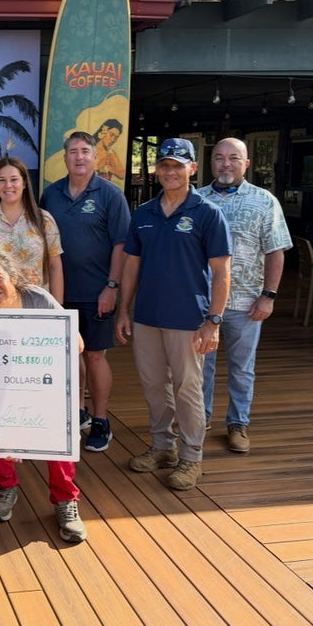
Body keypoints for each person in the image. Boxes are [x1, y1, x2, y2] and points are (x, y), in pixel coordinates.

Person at [115, 138, 231, 491]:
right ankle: (163, 447)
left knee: (187, 388)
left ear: (192, 169)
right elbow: (131, 266)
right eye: (165, 165)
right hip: (147, 315)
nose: (170, 172)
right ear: (157, 170)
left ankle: (191, 457)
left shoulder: (208, 213)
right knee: (153, 385)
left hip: (188, 319)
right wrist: (124, 310)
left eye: (178, 166)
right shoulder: (144, 213)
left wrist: (214, 321)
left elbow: (223, 273)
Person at [0, 248, 87, 543]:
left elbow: (77, 342)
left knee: (57, 434)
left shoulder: (37, 298)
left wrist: (68, 341)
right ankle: (5, 487)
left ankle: (65, 500)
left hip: (44, 386)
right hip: (4, 390)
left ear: (13, 277)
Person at [197, 137, 291, 454]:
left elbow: (275, 252)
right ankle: (201, 419)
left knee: (241, 369)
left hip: (245, 303)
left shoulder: (265, 202)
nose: (226, 164)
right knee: (200, 368)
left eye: (233, 158)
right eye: (220, 158)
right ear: (211, 163)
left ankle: (238, 423)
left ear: (246, 164)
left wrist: (269, 295)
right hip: (202, 303)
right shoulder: (195, 200)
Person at [40, 130, 131, 453]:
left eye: (85, 151)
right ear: (64, 158)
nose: (79, 157)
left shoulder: (110, 195)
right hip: (59, 294)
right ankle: (77, 410)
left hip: (97, 292)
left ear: (95, 157)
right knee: (68, 355)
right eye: (73, 152)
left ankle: (101, 419)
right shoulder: (50, 195)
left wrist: (111, 287)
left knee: (94, 354)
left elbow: (122, 244)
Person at [0, 155, 63, 307]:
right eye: (2, 180)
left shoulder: (44, 220)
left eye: (14, 179)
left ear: (24, 183)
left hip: (35, 309)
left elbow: (54, 266)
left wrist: (58, 313)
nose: (8, 185)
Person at [93, 119, 125, 183]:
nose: (113, 139)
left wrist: (112, 170)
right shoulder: (89, 148)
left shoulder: (111, 153)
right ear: (103, 131)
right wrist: (104, 161)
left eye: (116, 137)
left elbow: (122, 174)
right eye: (111, 134)